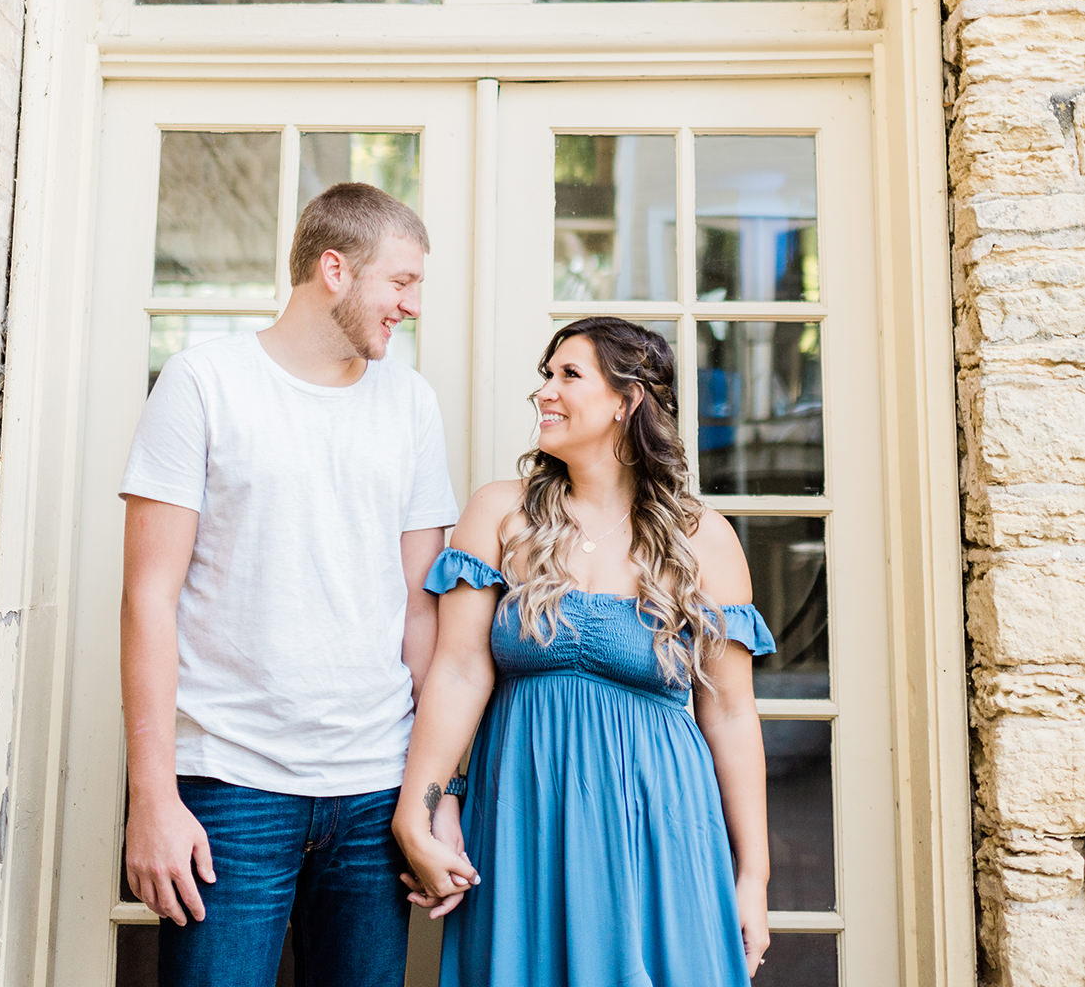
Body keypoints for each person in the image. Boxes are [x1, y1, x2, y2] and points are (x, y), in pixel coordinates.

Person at [119, 181, 467, 987]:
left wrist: (434, 794)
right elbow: (147, 600)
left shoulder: (411, 405)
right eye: (402, 282)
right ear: (336, 269)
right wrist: (152, 798)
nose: (411, 306)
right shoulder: (203, 382)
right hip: (231, 787)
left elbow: (423, 615)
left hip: (376, 788)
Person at [393, 315, 775, 987]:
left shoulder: (703, 539)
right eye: (546, 375)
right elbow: (456, 672)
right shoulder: (499, 513)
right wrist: (419, 809)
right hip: (523, 818)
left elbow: (731, 716)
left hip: (658, 823)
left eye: (568, 375)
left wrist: (753, 876)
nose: (545, 391)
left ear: (628, 402)